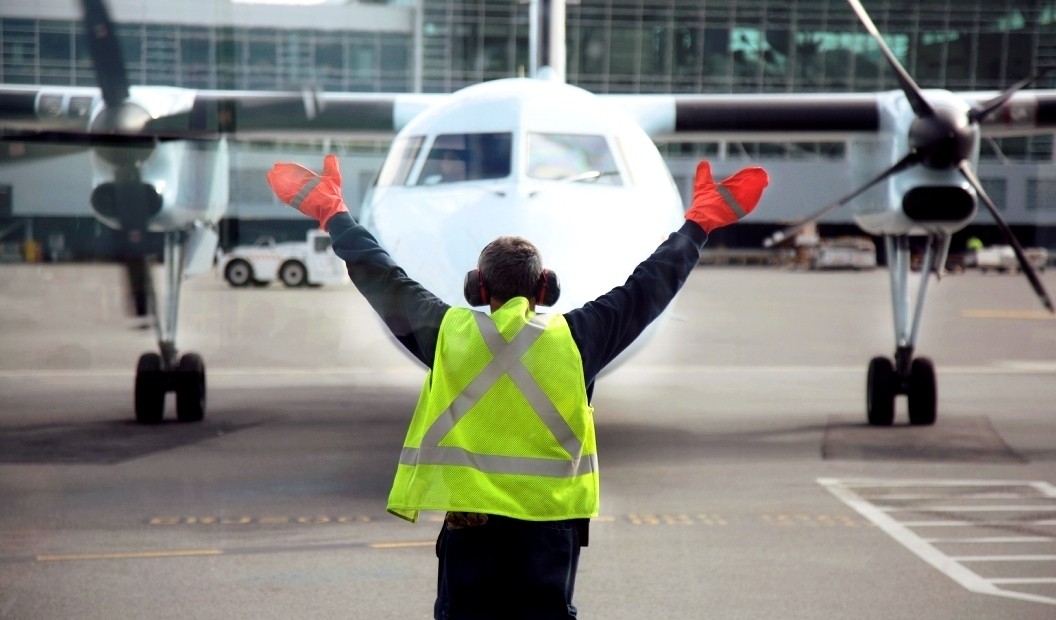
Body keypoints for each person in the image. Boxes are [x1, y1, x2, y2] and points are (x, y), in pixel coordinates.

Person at [266, 154, 769, 619]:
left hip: (470, 525)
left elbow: (379, 273)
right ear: (545, 286)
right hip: (550, 528)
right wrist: (699, 223)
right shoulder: (579, 339)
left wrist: (334, 213)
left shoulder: (449, 334)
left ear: (477, 288)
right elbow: (648, 287)